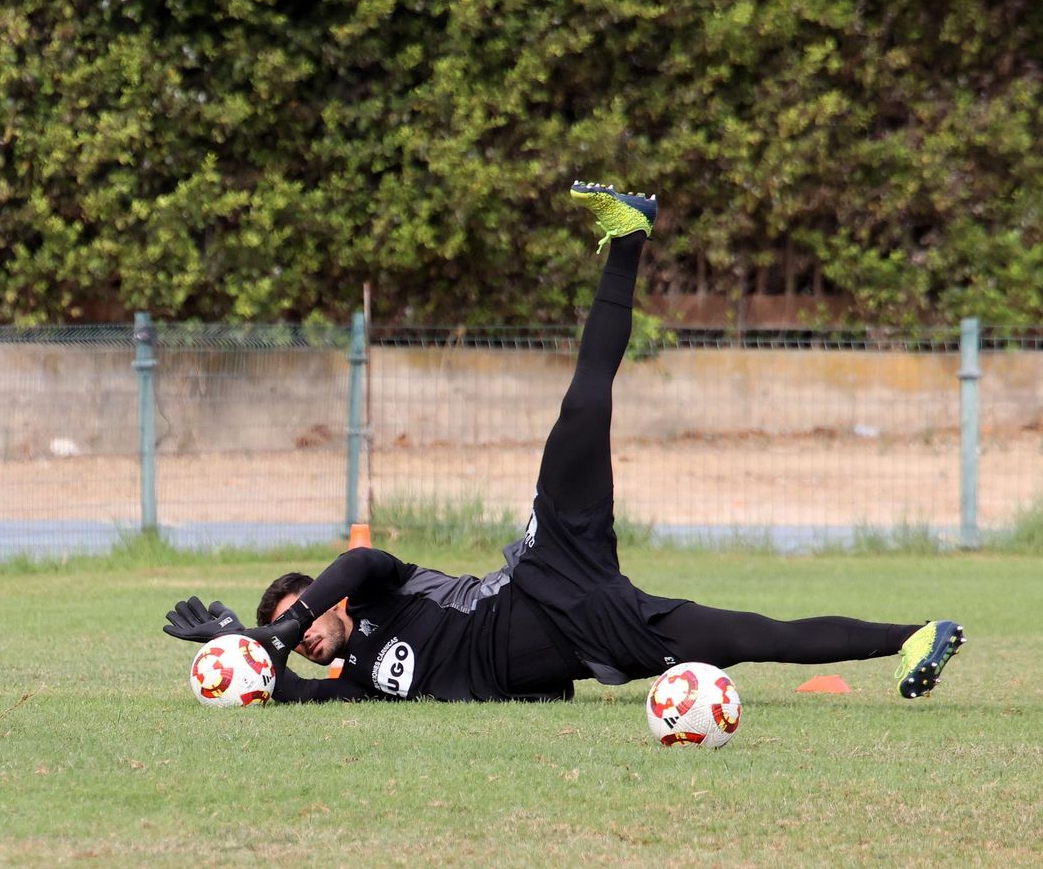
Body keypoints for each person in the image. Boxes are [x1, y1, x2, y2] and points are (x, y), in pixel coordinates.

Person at [164, 183, 966, 704]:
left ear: (330, 604)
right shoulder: (361, 686)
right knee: (752, 637)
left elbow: (361, 561)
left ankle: (629, 238)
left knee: (582, 409)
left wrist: (286, 614)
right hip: (593, 630)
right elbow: (281, 696)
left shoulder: (375, 592)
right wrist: (243, 640)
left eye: (304, 618)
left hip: (545, 572)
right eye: (297, 637)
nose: (303, 636)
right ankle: (915, 637)